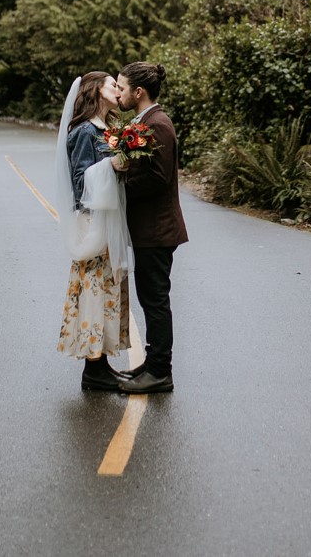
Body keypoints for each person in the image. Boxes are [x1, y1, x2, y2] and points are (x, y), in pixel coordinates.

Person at [55, 72, 132, 392]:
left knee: (109, 289)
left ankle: (102, 364)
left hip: (109, 218)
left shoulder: (109, 130)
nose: (118, 88)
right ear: (95, 91)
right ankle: (93, 369)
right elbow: (79, 182)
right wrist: (111, 166)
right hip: (92, 221)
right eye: (112, 84)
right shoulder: (84, 132)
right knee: (94, 291)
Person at [115, 61, 188, 394]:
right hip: (150, 230)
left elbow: (157, 179)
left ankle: (161, 372)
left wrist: (118, 184)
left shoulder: (157, 125)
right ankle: (152, 362)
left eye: (122, 87)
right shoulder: (145, 122)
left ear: (138, 92)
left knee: (155, 300)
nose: (119, 93)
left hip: (157, 230)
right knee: (150, 298)